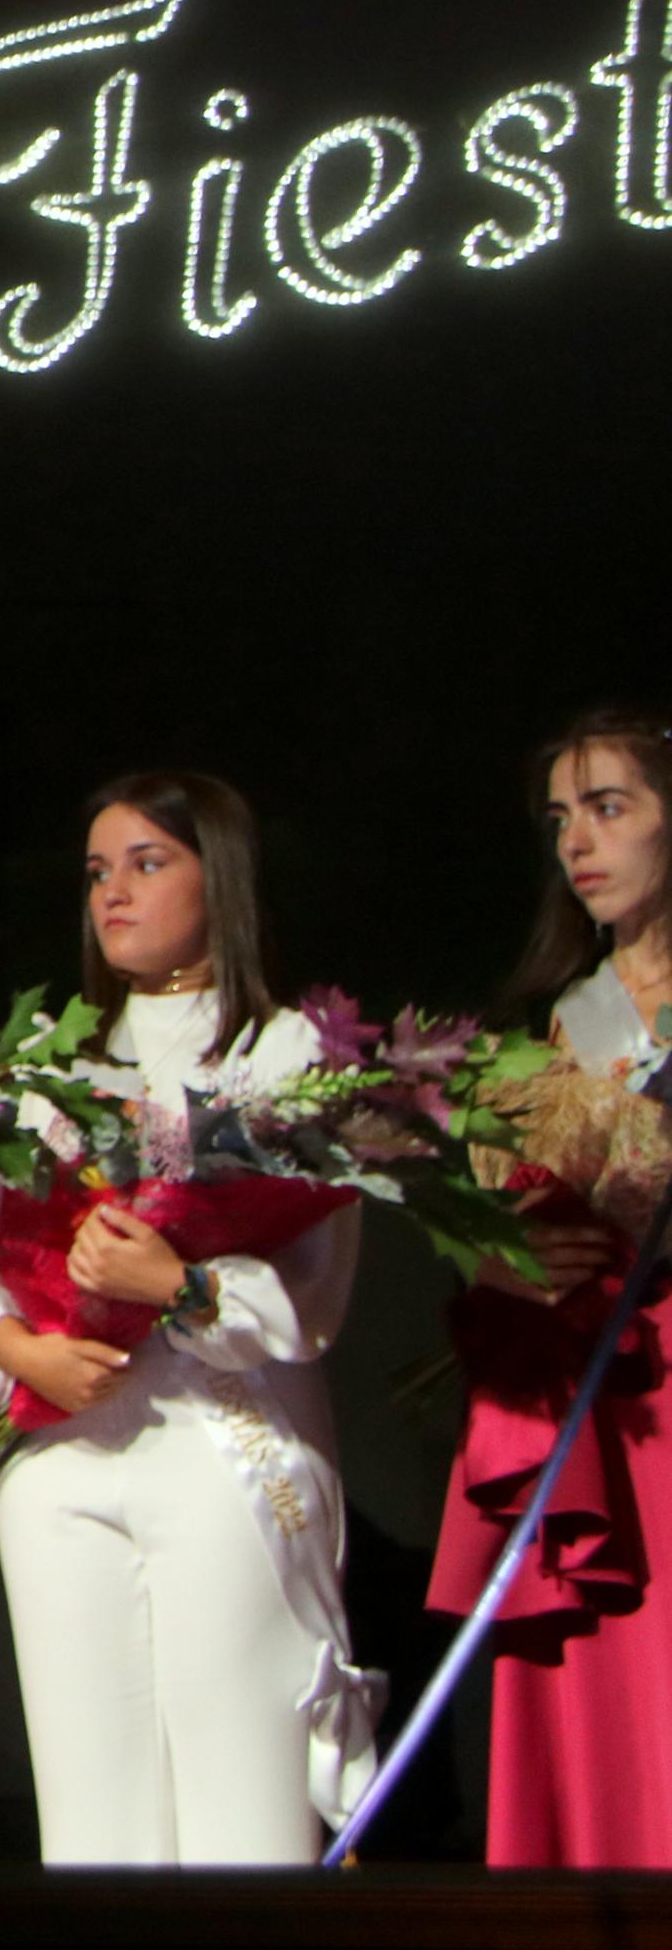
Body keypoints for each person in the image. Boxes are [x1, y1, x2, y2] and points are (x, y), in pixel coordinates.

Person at [0, 769, 367, 1863]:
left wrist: (175, 1281)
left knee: (240, 1808)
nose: (110, 892)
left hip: (216, 1441)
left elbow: (311, 1298)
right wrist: (17, 1347)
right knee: (87, 1822)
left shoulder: (289, 1057)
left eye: (145, 862)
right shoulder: (42, 1069)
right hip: (61, 1455)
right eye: (94, 871)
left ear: (219, 876)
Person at [430, 708, 672, 1863]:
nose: (578, 840)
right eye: (560, 819)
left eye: (608, 807)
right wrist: (499, 1256)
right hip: (594, 1401)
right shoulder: (557, 1026)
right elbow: (507, 1220)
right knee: (599, 1708)